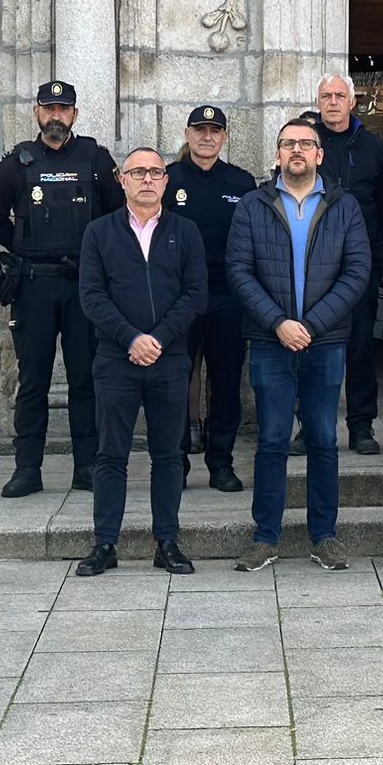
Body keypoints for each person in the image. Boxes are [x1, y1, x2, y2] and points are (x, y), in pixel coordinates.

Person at [228, 118, 371, 572]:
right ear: (276, 154)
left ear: (319, 155)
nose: (297, 151)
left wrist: (309, 324)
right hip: (272, 341)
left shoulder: (344, 205)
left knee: (324, 439)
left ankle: (324, 536)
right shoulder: (253, 205)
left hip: (325, 341)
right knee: (271, 440)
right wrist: (279, 324)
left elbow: (357, 272)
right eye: (289, 143)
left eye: (306, 144)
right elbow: (239, 271)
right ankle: (264, 536)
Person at [0, 80, 125, 498]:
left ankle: (88, 467)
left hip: (85, 286)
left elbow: (118, 215)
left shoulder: (96, 159)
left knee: (87, 380)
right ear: (37, 113)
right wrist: (25, 247)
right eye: (50, 108)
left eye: (65, 109)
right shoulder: (17, 162)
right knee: (33, 380)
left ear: (75, 115)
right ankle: (27, 469)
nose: (57, 115)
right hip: (34, 285)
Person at [75, 148, 208, 577]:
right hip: (117, 358)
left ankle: (166, 542)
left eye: (155, 172)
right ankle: (105, 544)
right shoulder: (99, 232)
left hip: (169, 361)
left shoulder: (186, 232)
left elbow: (195, 295)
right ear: (122, 179)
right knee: (110, 455)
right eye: (138, 172)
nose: (147, 179)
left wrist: (158, 339)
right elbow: (92, 295)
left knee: (168, 454)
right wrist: (131, 337)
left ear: (166, 181)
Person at [164, 105, 257, 493]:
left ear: (224, 137)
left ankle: (221, 463)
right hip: (179, 298)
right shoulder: (167, 178)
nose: (207, 137)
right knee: (175, 382)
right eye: (200, 130)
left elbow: (254, 240)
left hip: (227, 296)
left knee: (225, 382)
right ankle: (176, 462)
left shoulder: (241, 182)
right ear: (187, 134)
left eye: (215, 130)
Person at [309, 73, 383, 456]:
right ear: (318, 100)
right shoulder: (304, 141)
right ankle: (308, 426)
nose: (333, 102)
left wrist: (376, 253)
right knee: (311, 347)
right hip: (312, 265)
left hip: (360, 266)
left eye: (340, 95)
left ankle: (361, 426)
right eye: (326, 96)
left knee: (360, 347)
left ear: (352, 102)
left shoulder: (373, 145)